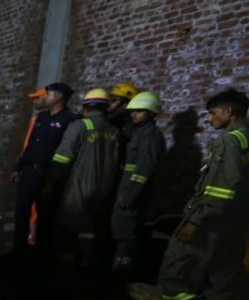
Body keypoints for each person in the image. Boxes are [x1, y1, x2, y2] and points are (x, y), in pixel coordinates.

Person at [146, 89, 249, 300]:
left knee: (176, 274)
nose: (210, 118)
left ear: (229, 113)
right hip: (235, 227)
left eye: (213, 112)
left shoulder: (229, 141)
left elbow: (221, 189)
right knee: (223, 287)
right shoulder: (247, 140)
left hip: (210, 225)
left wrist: (195, 220)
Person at [42, 88, 122, 270]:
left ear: (86, 107)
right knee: (90, 228)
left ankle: (66, 266)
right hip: (104, 188)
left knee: (68, 226)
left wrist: (49, 183)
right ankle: (87, 264)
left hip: (78, 186)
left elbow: (62, 159)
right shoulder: (114, 131)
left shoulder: (80, 126)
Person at [10, 82, 78, 259]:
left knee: (46, 215)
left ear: (59, 97)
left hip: (49, 175)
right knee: (22, 211)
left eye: (48, 94)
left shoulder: (70, 120)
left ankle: (42, 254)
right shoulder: (41, 118)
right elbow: (31, 146)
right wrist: (18, 167)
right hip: (29, 172)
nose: (44, 97)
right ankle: (19, 251)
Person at [111, 91, 166, 276]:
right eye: (133, 110)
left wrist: (130, 194)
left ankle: (122, 271)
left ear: (151, 113)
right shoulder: (138, 132)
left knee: (125, 232)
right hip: (125, 188)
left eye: (140, 111)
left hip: (132, 193)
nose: (133, 114)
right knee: (121, 230)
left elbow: (145, 168)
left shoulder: (150, 135)